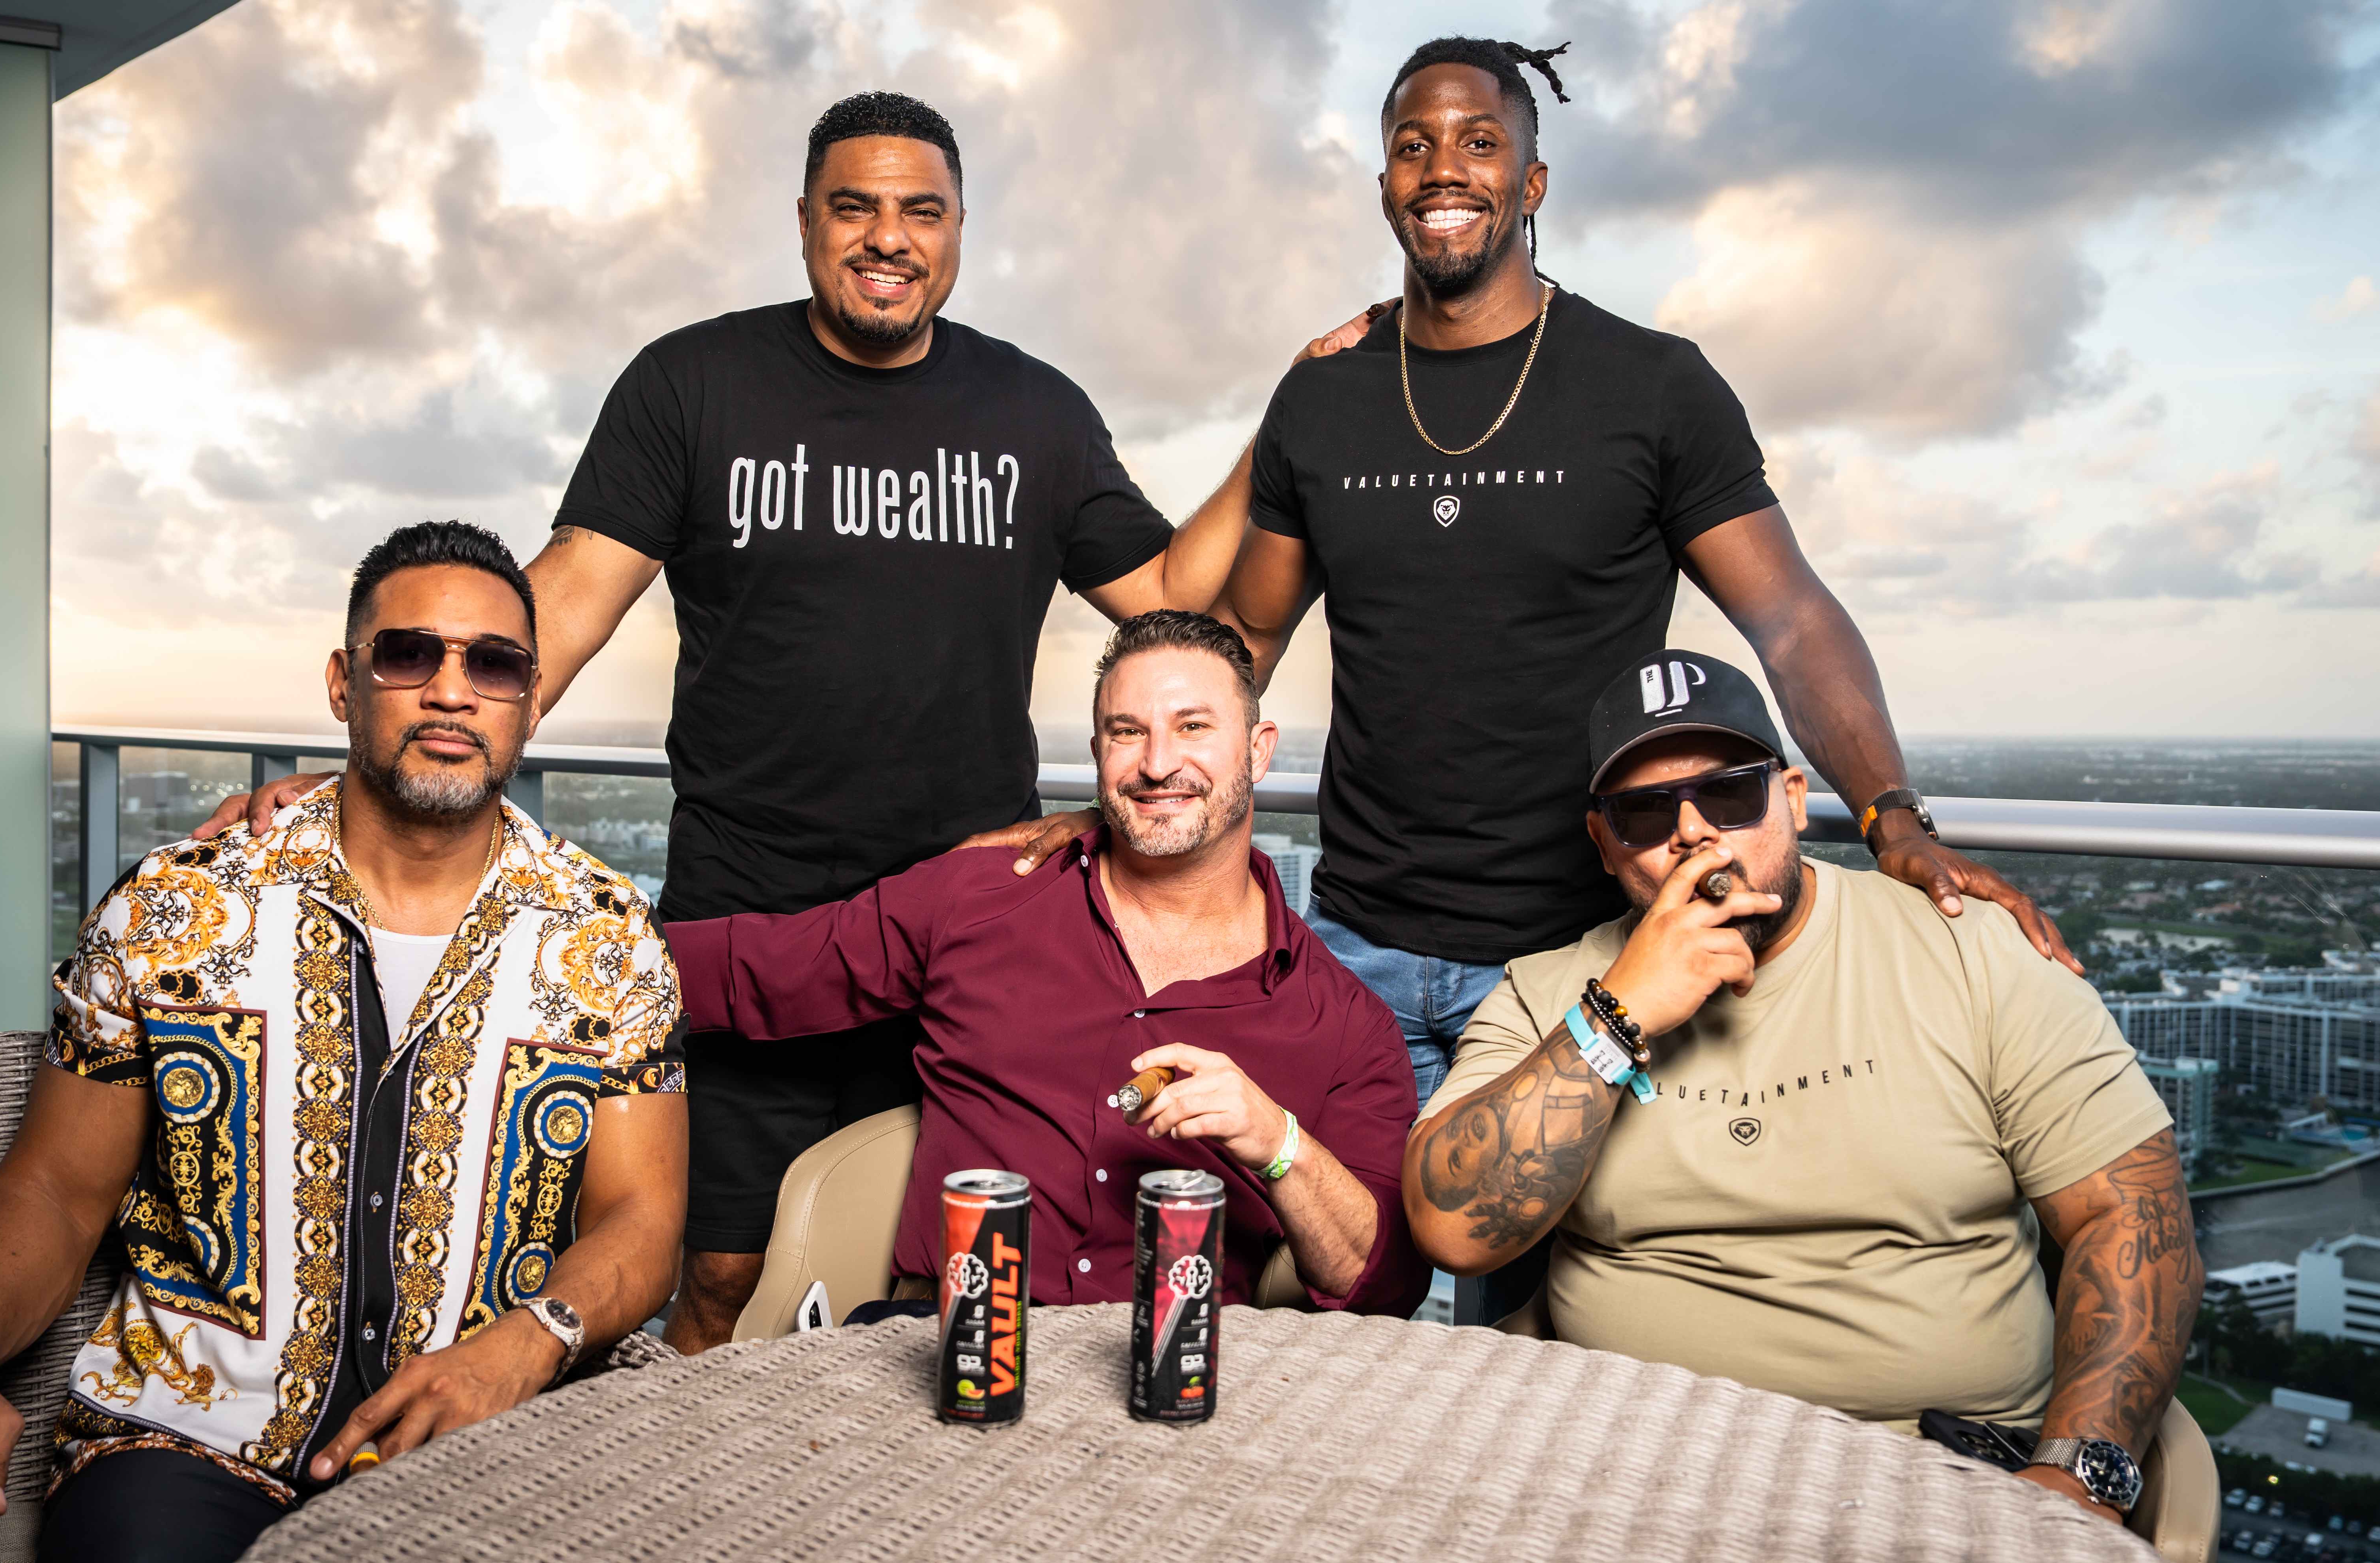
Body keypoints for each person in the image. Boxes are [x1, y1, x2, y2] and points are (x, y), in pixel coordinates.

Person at [196, 93, 1374, 1353]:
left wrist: (1277, 429)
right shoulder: (693, 384)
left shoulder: (1034, 413)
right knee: (718, 1270)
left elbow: (1173, 623)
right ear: (806, 224)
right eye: (854, 207)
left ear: (959, 232)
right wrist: (362, 777)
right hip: (746, 908)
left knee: (944, 1277)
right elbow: (556, 619)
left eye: (921, 211)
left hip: (955, 929)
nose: (888, 237)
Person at [1061, 38, 2070, 1125]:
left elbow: (1791, 619)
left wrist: (1892, 817)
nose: (1444, 168)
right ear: (1387, 185)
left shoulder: (1653, 387)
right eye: (1414, 146)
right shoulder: (1323, 400)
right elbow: (1240, 646)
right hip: (1353, 947)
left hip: (1580, 958)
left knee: (1547, 1296)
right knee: (1340, 1277)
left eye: (1480, 142)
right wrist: (1121, 804)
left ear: (1532, 182)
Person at [0, 523, 688, 1563]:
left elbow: (644, 1221)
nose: (452, 692)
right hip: (184, 1446)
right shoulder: (174, 910)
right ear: (345, 683)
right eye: (411, 654)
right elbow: (58, 1189)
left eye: (495, 664)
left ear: (533, 702)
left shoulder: (605, 938)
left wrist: (523, 1347)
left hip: (489, 1440)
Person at [1405, 651, 2200, 1525]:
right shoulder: (1550, 992)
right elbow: (1451, 1225)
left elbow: (2131, 1216)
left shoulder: (1972, 952)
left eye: (1733, 794)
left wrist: (2075, 1478)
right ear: (1604, 844)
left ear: (1792, 798)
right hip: (1629, 1473)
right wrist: (1617, 1015)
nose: (1695, 832)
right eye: (1644, 811)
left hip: (1935, 1476)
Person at [662, 612, 1425, 1316]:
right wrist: (561, 935)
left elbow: (1381, 1285)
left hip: (1164, 1378)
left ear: (1258, 749)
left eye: (1193, 727)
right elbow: (756, 971)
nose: (1159, 764)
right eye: (1127, 733)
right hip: (942, 1342)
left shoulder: (1345, 1025)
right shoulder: (980, 898)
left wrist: (1278, 1142)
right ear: (1098, 755)